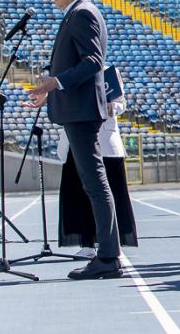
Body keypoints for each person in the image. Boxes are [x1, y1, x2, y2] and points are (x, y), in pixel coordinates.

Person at [26, 0, 122, 280]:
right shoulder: (76, 13)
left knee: (95, 183)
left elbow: (93, 61)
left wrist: (55, 83)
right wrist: (50, 91)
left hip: (82, 112)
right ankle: (107, 254)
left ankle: (108, 256)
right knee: (93, 182)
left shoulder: (83, 13)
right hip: (76, 109)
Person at [56, 94, 137, 259]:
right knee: (79, 195)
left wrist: (111, 108)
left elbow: (120, 103)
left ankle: (109, 243)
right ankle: (87, 243)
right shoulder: (68, 78)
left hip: (105, 142)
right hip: (76, 138)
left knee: (108, 193)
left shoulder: (110, 77)